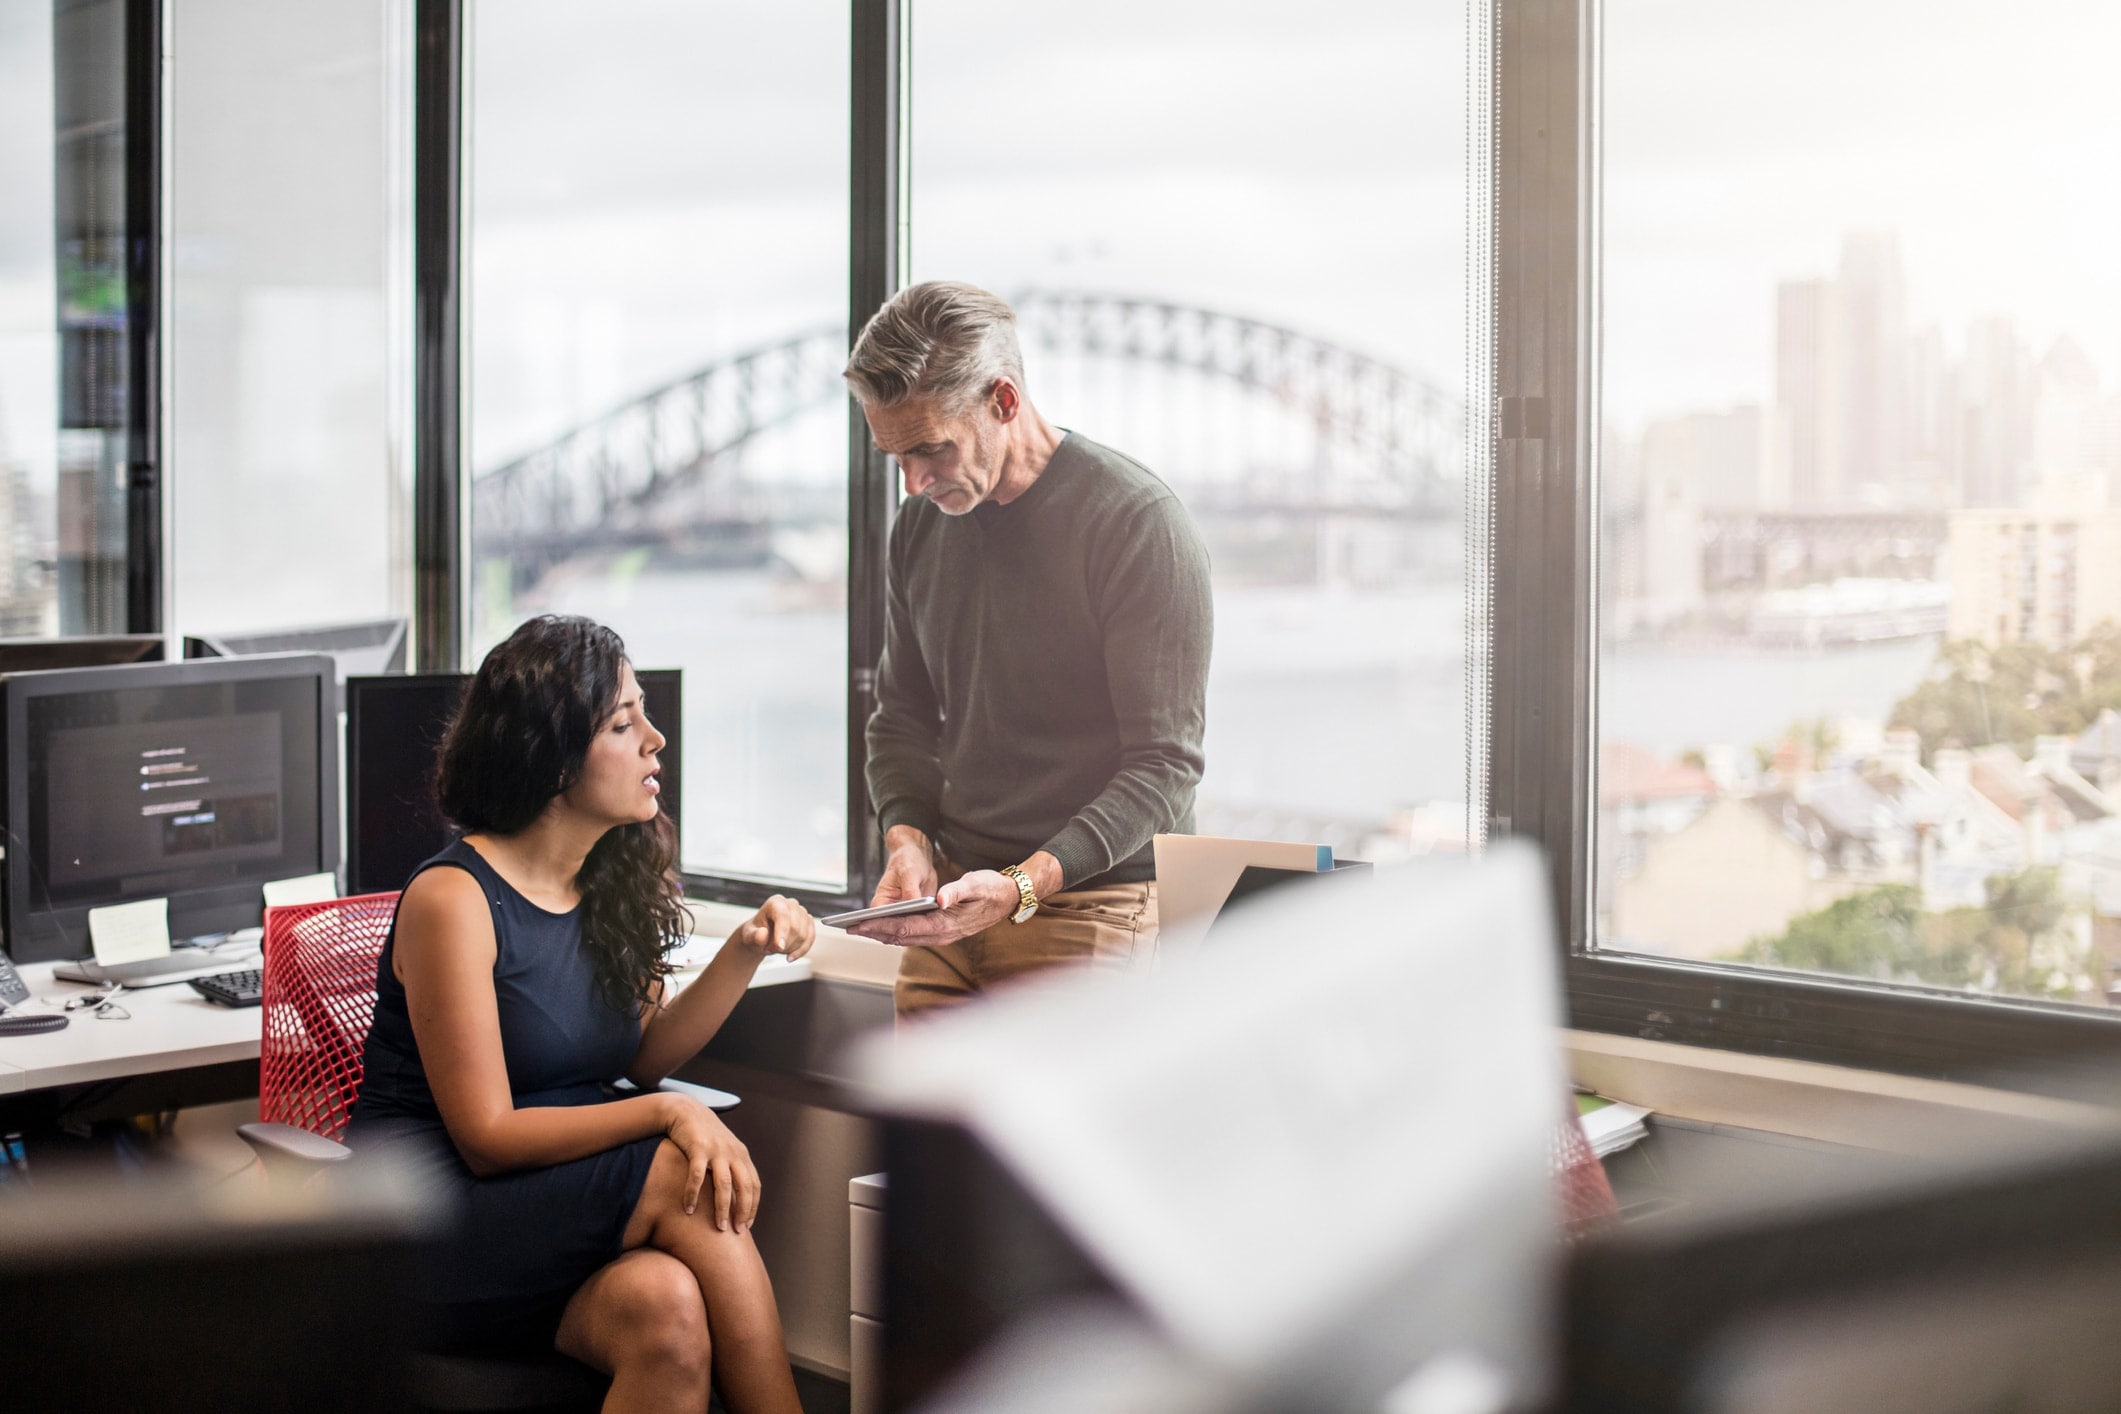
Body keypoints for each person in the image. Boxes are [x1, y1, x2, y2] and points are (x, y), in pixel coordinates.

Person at [346, 615, 808, 1414]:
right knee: (682, 1174)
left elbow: (639, 1057)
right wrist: (667, 1116)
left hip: (549, 1206)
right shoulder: (452, 898)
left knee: (666, 1311)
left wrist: (745, 948)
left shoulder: (608, 882)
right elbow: (486, 1140)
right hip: (426, 1225)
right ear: (554, 759)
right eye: (624, 724)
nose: (656, 740)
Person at [840, 281, 1214, 1018]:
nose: (914, 483)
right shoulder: (919, 527)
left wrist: (1019, 887)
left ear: (1002, 402)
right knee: (921, 1136)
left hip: (1092, 906)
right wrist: (906, 842)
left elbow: (1165, 764)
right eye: (895, 457)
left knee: (1045, 1139)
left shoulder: (1135, 522)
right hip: (952, 902)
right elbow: (901, 718)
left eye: (930, 450)